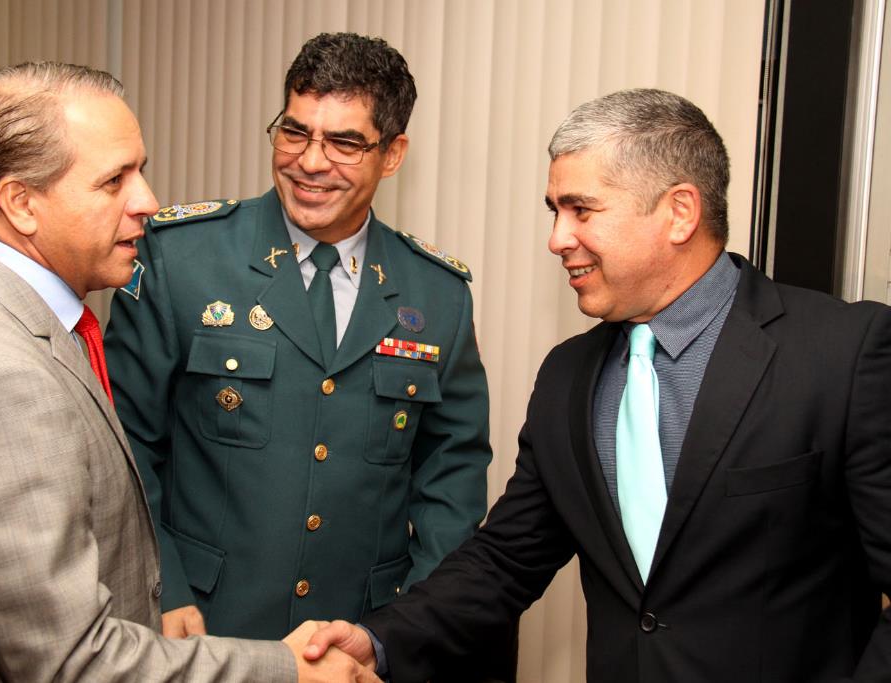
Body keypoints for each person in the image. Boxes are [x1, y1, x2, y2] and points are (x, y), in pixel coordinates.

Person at [303, 88, 891, 682]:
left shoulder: (843, 354)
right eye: (555, 211)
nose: (558, 238)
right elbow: (506, 560)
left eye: (581, 210)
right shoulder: (568, 376)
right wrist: (378, 641)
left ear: (680, 212)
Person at [0, 61, 378, 683]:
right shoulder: (0, 375)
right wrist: (287, 671)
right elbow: (70, 661)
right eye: (114, 180)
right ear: (21, 203)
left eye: (140, 170)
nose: (147, 203)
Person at [103, 31, 491, 650]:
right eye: (294, 132)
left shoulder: (437, 294)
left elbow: (452, 477)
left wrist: (412, 627)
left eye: (344, 143)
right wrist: (164, 587)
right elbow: (123, 447)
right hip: (205, 628)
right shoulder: (182, 259)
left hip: (359, 639)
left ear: (393, 154)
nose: (310, 162)